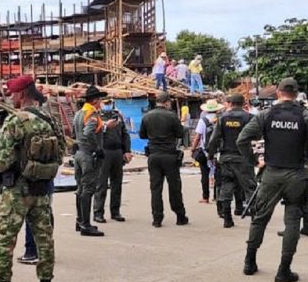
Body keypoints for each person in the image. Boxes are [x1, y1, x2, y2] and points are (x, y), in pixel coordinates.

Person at [237, 78, 308, 282]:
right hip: (297, 174)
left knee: (260, 218)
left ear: (278, 92)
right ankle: (284, 270)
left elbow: (242, 140)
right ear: (296, 93)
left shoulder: (265, 115)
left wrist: (256, 161)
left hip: (271, 173)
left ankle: (249, 262)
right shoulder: (307, 116)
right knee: (292, 221)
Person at [0, 75, 64, 282]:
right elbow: (60, 154)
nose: (11, 98)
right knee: (45, 241)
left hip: (16, 192)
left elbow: (1, 161)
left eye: (12, 94)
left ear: (20, 95)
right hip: (43, 191)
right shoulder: (50, 119)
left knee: (5, 243)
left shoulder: (15, 122)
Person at [73, 85, 118, 236]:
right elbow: (88, 132)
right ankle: (85, 225)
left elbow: (77, 133)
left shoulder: (79, 113)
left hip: (79, 154)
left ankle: (80, 221)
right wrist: (97, 148)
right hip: (88, 156)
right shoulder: (92, 114)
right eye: (99, 100)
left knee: (80, 189)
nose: (101, 103)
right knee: (88, 189)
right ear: (95, 101)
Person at [139, 91, 188, 227]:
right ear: (167, 102)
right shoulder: (172, 116)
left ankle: (157, 218)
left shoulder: (147, 116)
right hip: (169, 155)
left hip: (153, 155)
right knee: (174, 187)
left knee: (155, 188)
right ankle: (180, 216)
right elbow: (180, 133)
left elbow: (142, 135)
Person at [206, 94, 255, 228]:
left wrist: (210, 155)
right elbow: (258, 135)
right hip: (243, 158)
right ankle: (255, 220)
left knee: (227, 186)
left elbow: (214, 140)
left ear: (230, 104)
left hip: (226, 158)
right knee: (250, 187)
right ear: (243, 103)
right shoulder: (249, 118)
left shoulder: (222, 119)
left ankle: (227, 218)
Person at [92, 98, 132, 222]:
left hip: (117, 152)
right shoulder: (96, 116)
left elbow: (125, 134)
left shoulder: (118, 116)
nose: (108, 105)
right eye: (105, 103)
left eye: (110, 103)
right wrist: (105, 126)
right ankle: (98, 213)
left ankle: (115, 212)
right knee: (101, 184)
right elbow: (93, 133)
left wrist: (127, 151)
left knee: (117, 184)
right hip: (104, 152)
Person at [191, 99, 224, 204]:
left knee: (204, 174)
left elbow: (197, 137)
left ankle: (205, 197)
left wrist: (193, 148)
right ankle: (216, 196)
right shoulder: (221, 119)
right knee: (218, 174)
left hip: (205, 151)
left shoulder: (203, 121)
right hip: (218, 151)